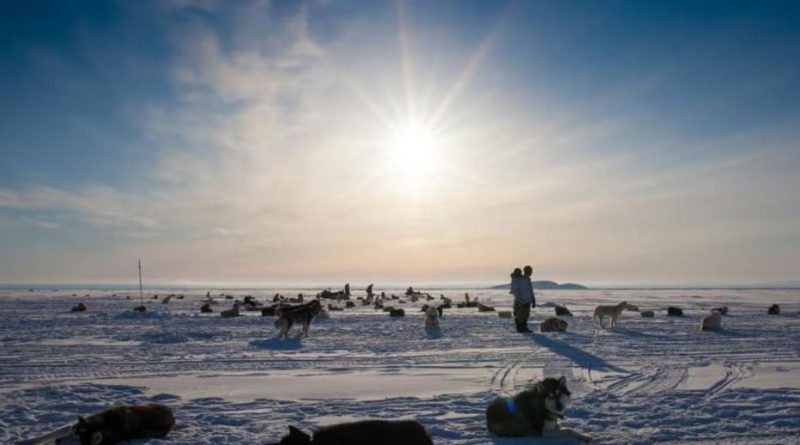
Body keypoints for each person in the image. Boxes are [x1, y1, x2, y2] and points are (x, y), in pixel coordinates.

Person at [511, 265, 535, 333]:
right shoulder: (520, 280)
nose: (530, 272)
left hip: (527, 301)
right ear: (525, 271)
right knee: (520, 316)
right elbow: (516, 291)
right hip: (521, 302)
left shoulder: (527, 280)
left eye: (531, 271)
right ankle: (520, 328)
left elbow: (530, 291)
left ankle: (524, 328)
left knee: (526, 315)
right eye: (529, 271)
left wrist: (533, 300)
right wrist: (520, 300)